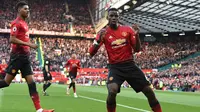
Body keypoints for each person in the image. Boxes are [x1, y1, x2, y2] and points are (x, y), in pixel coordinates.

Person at [89, 8, 162, 112]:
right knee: (112, 91)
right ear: (107, 18)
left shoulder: (127, 30)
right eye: (111, 16)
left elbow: (137, 49)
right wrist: (98, 41)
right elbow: (91, 53)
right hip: (115, 67)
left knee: (148, 91)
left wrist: (136, 35)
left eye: (116, 16)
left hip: (130, 65)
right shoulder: (103, 33)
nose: (114, 18)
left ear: (119, 17)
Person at [0, 1, 54, 112]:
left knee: (32, 83)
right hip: (17, 57)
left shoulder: (25, 23)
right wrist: (29, 44)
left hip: (25, 58)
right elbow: (12, 39)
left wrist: (28, 48)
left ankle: (39, 109)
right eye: (25, 9)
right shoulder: (17, 23)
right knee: (6, 83)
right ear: (19, 10)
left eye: (28, 9)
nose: (28, 11)